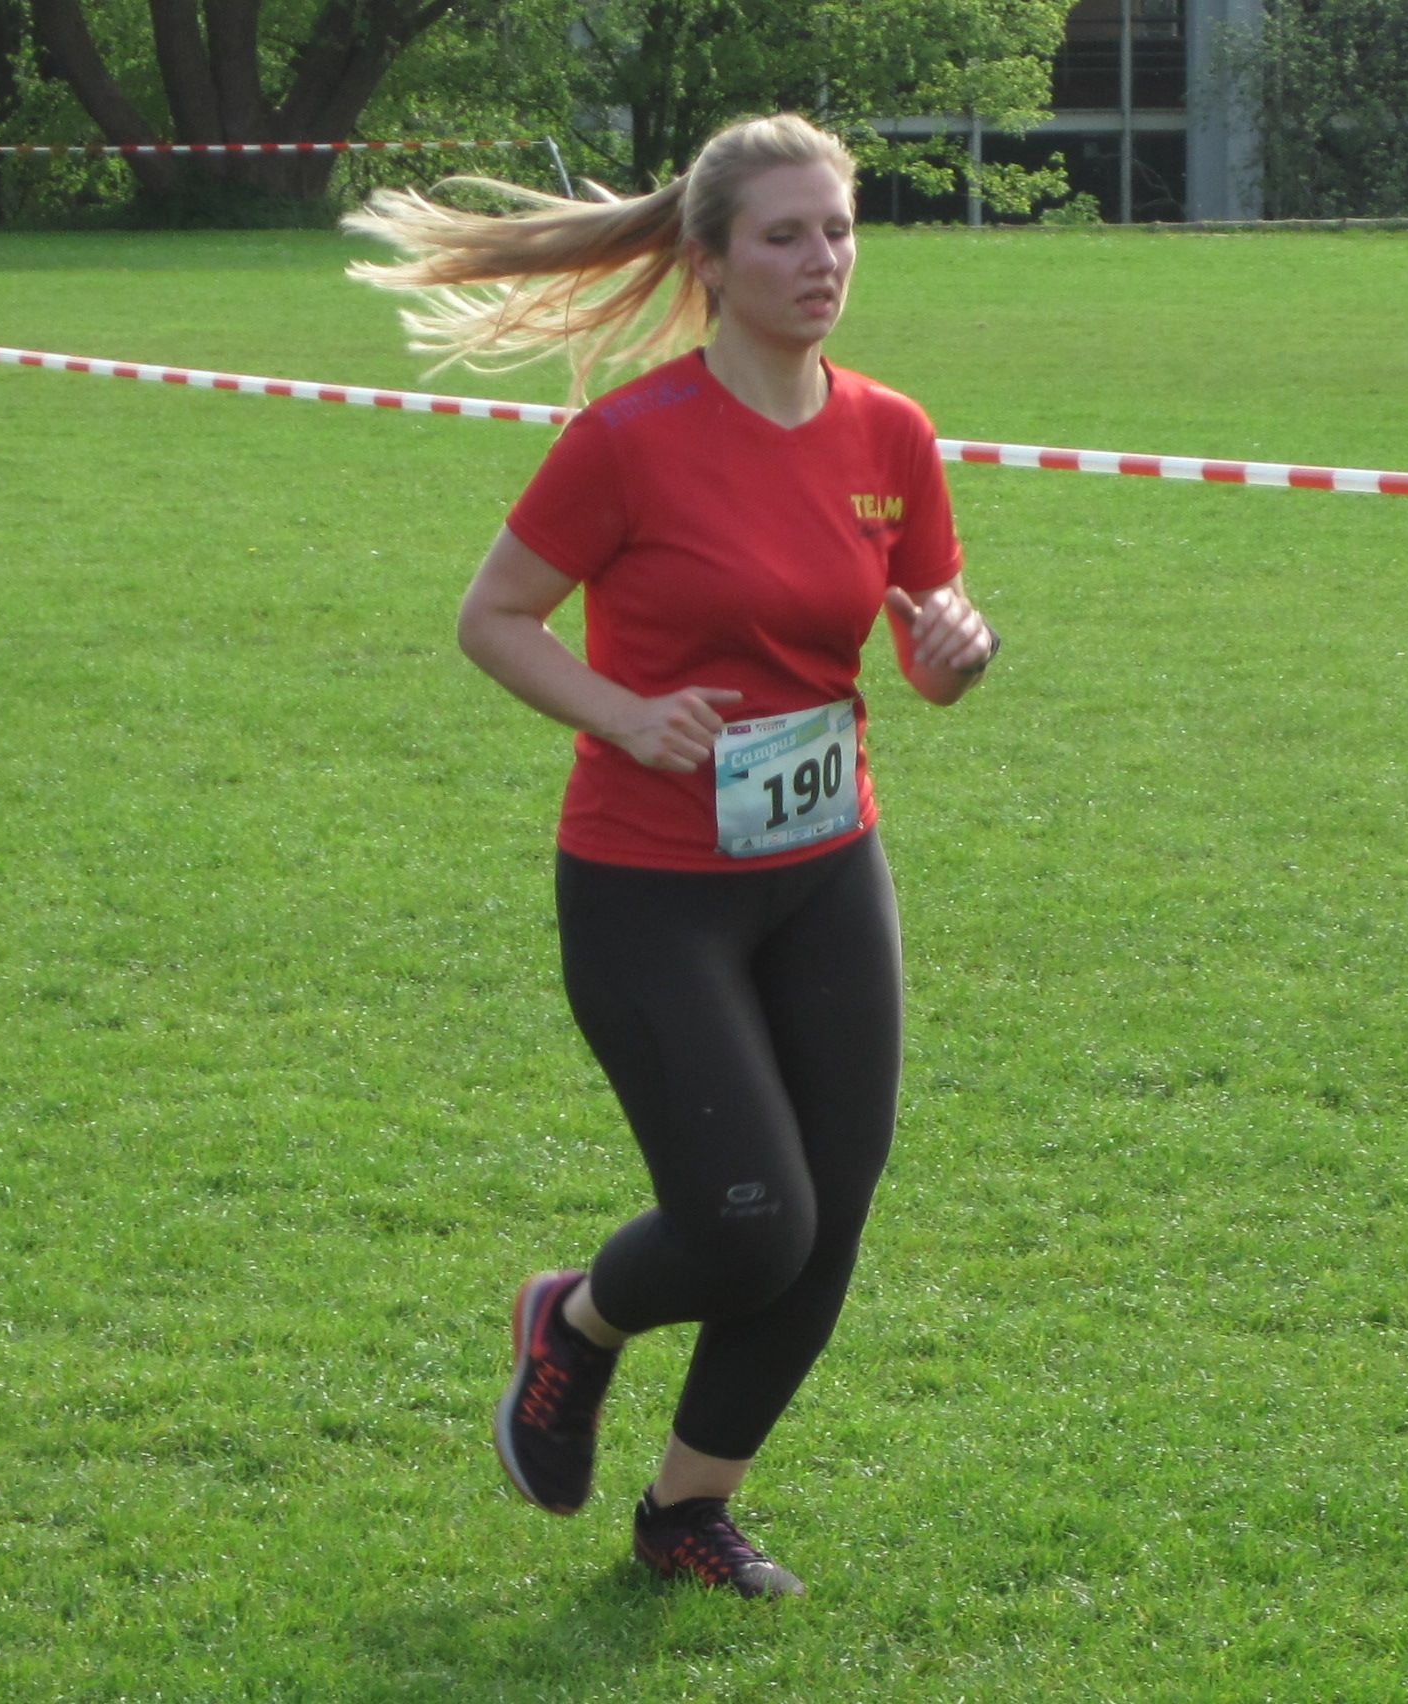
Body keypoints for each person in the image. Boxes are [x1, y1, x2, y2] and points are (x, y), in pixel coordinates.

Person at [346, 113, 997, 1600]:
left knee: (829, 1218)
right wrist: (624, 715)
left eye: (839, 229)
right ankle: (574, 1323)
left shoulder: (890, 433)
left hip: (826, 868)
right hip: (651, 889)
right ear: (710, 261)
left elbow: (923, 652)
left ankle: (687, 1512)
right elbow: (493, 618)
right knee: (750, 1219)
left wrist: (955, 650)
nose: (823, 260)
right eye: (785, 235)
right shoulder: (628, 441)